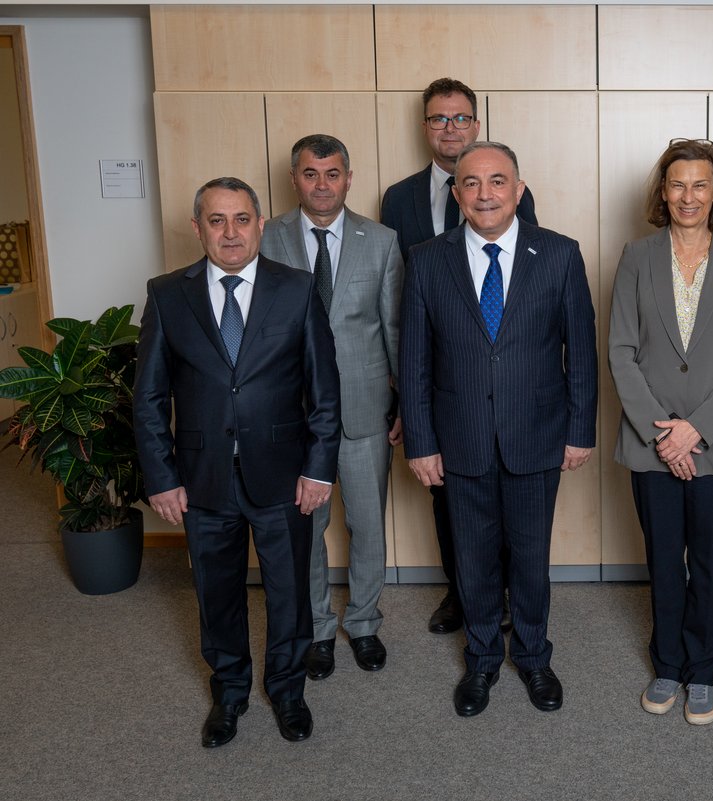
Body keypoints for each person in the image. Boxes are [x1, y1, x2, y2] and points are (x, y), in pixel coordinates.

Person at [133, 177, 340, 747]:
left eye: (242, 219)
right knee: (217, 594)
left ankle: (288, 691)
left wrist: (319, 468)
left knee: (289, 593)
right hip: (200, 480)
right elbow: (149, 396)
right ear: (197, 227)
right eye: (217, 220)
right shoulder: (167, 293)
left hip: (284, 474)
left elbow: (325, 391)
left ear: (259, 224)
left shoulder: (296, 289)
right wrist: (162, 476)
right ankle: (228, 694)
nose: (230, 232)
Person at [399, 141, 596, 718]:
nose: (484, 194)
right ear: (456, 192)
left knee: (531, 557)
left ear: (518, 188)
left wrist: (579, 429)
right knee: (474, 558)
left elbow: (579, 351)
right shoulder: (427, 259)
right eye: (471, 184)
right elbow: (414, 360)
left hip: (536, 434)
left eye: (497, 182)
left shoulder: (559, 254)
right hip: (458, 439)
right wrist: (421, 441)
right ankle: (483, 659)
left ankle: (534, 656)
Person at [609, 139, 713, 725]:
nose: (689, 196)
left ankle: (704, 670)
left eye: (701, 185)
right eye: (678, 185)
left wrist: (693, 431)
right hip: (651, 446)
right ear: (663, 193)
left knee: (709, 564)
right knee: (663, 563)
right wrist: (663, 437)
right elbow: (621, 352)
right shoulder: (637, 256)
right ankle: (667, 664)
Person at [381, 77, 536, 634]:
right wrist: (407, 399)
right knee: (449, 504)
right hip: (439, 384)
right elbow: (398, 303)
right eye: (439, 119)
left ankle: (513, 600)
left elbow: (526, 291)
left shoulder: (509, 188)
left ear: (476, 121)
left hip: (503, 382)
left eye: (460, 118)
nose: (450, 128)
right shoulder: (398, 199)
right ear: (425, 128)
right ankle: (463, 592)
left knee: (512, 508)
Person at [260, 134, 403, 681]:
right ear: (294, 178)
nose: (323, 184)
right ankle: (318, 628)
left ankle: (364, 623)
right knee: (308, 528)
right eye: (311, 173)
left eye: (333, 173)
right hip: (293, 416)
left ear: (349, 177)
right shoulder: (266, 237)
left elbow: (394, 330)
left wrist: (405, 407)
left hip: (366, 410)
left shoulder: (383, 241)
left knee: (367, 526)